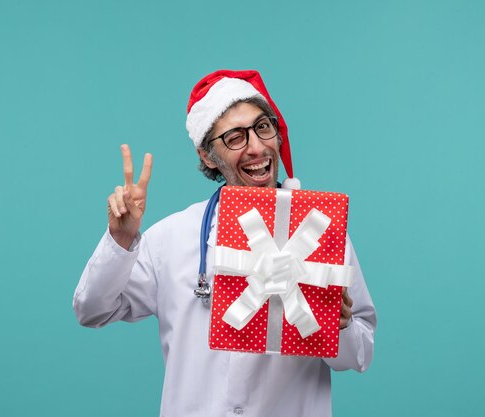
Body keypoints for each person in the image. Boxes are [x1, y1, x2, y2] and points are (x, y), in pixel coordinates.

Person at [73, 69, 376, 417]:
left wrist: (341, 327)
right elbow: (92, 310)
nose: (257, 147)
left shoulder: (321, 232)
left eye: (263, 127)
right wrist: (122, 238)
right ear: (207, 155)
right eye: (235, 137)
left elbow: (361, 353)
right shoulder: (171, 238)